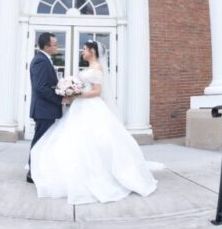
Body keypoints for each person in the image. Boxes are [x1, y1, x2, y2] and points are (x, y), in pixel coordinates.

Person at [30, 40, 158, 204]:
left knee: (93, 139)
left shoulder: (97, 68)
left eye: (84, 49)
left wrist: (77, 94)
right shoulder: (89, 68)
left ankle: (97, 174)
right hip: (79, 107)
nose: (82, 51)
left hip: (90, 106)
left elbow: (97, 91)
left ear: (92, 51)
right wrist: (71, 91)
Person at [27, 32, 65, 184]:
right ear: (46, 47)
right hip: (44, 110)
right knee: (39, 142)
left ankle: (37, 171)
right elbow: (41, 88)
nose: (58, 47)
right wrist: (61, 98)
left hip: (46, 110)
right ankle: (32, 173)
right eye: (55, 44)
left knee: (44, 143)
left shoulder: (45, 60)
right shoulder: (41, 61)